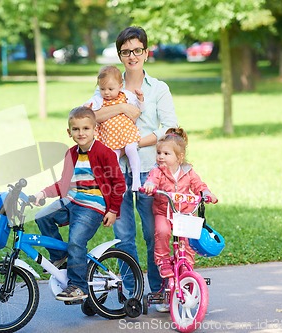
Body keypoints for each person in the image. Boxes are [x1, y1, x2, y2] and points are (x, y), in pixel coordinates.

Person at [92, 26, 178, 303]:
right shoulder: (107, 84)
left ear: (146, 52)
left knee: (154, 233)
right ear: (120, 55)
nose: (132, 56)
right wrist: (120, 108)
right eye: (126, 51)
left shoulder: (158, 89)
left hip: (149, 170)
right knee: (124, 235)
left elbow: (170, 128)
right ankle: (132, 291)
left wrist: (135, 143)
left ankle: (158, 289)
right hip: (115, 172)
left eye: (137, 50)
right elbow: (90, 118)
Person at [33, 106, 126, 302]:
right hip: (72, 200)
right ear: (69, 132)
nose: (81, 133)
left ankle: (78, 286)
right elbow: (64, 183)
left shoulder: (104, 153)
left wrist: (113, 210)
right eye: (76, 129)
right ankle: (59, 256)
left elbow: (118, 183)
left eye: (85, 128)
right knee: (41, 217)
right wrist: (43, 193)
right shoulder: (71, 154)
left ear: (94, 130)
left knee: (76, 241)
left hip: (92, 206)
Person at [143, 127, 218, 278]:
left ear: (179, 157)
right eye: (159, 153)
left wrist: (206, 193)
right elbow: (152, 180)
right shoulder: (157, 171)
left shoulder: (188, 172)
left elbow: (199, 185)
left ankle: (186, 264)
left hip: (185, 212)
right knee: (162, 232)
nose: (161, 157)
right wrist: (150, 186)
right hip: (164, 212)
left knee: (188, 239)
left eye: (166, 154)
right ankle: (163, 261)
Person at [85, 65, 143, 191]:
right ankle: (117, 183)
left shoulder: (126, 96)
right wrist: (87, 108)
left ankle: (136, 181)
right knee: (111, 159)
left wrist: (140, 100)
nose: (106, 92)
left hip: (127, 132)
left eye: (111, 89)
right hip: (110, 136)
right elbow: (86, 109)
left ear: (120, 86)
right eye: (102, 89)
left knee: (131, 149)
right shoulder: (98, 99)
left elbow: (139, 110)